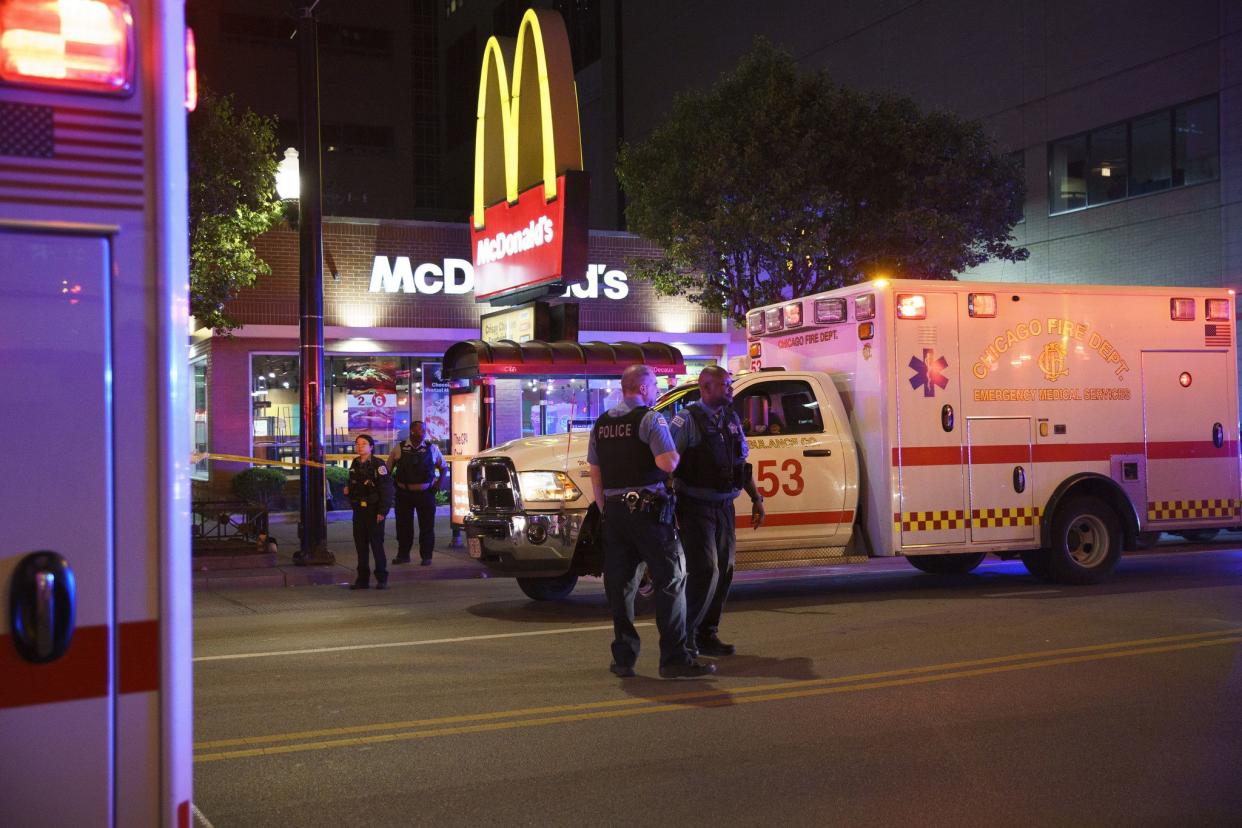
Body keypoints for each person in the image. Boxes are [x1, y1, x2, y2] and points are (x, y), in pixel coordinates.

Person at [588, 364, 715, 680]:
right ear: (642, 388)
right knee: (671, 580)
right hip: (648, 512)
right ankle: (674, 659)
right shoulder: (651, 418)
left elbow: (596, 473)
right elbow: (668, 461)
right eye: (654, 385)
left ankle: (624, 658)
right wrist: (673, 454)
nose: (657, 390)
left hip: (615, 513)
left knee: (621, 587)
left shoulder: (601, 425)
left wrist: (607, 510)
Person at [670, 366, 765, 657]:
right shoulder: (686, 420)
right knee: (705, 571)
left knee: (725, 571)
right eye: (725, 385)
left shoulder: (731, 419)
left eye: (730, 384)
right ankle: (683, 640)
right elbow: (667, 465)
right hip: (695, 507)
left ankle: (706, 634)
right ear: (706, 388)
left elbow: (741, 464)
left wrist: (756, 497)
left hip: (725, 506)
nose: (730, 389)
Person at [387, 421, 447, 566]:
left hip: (425, 494)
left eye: (424, 430)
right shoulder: (399, 448)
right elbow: (387, 470)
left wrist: (438, 485)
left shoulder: (432, 448)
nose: (422, 433)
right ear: (411, 431)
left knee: (427, 526)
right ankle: (403, 555)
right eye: (419, 430)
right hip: (404, 494)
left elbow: (443, 467)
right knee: (403, 527)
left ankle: (426, 556)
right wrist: (389, 488)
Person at [344, 433, 394, 590]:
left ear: (371, 447)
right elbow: (353, 483)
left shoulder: (378, 465)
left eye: (363, 444)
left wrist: (382, 511)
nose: (359, 446)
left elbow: (386, 490)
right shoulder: (355, 463)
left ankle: (381, 578)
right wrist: (348, 491)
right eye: (357, 444)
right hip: (359, 510)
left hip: (374, 510)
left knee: (376, 544)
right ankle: (362, 579)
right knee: (361, 545)